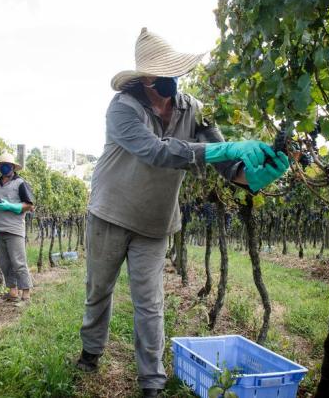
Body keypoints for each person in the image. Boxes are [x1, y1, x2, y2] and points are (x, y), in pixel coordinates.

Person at [76, 28, 289, 397]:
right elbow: (157, 152)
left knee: (150, 302)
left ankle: (152, 383)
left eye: (175, 71)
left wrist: (251, 175)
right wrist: (223, 152)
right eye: (164, 73)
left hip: (154, 222)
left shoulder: (193, 109)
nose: (173, 79)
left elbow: (225, 162)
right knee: (99, 291)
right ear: (145, 78)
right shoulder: (122, 108)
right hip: (110, 214)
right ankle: (91, 353)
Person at [0, 152, 36, 302]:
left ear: (13, 167)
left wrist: (11, 206)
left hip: (14, 229)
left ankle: (26, 293)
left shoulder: (20, 183)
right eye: (1, 165)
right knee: (5, 263)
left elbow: (30, 205)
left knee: (18, 262)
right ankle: (13, 292)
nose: (4, 167)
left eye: (7, 165)